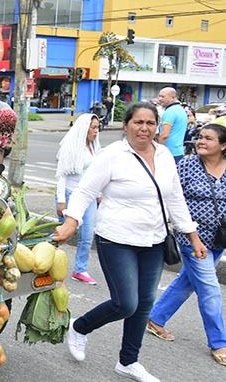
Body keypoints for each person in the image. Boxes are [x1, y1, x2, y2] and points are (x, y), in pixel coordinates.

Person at [53, 102, 206, 382]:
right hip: (117, 238)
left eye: (150, 123)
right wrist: (71, 221)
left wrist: (192, 235)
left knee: (145, 302)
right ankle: (80, 327)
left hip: (154, 240)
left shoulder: (164, 156)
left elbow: (174, 199)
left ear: (156, 127)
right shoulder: (113, 155)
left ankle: (128, 361)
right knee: (126, 303)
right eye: (138, 122)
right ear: (126, 126)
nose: (144, 128)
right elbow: (86, 191)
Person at [147, 123, 226, 366]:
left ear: (223, 146)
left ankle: (155, 319)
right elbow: (169, 195)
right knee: (210, 288)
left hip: (219, 237)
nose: (201, 141)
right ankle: (219, 342)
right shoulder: (188, 165)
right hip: (192, 237)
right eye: (200, 137)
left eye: (208, 139)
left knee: (188, 281)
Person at [55, 114, 102, 285]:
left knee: (88, 234)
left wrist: (98, 195)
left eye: (98, 127)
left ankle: (80, 269)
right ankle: (48, 260)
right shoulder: (71, 146)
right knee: (63, 234)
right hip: (70, 195)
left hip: (88, 196)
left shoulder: (95, 148)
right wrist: (61, 200)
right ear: (84, 128)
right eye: (93, 127)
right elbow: (62, 176)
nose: (96, 131)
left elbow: (96, 174)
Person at [157, 87, 188, 163]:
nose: (160, 99)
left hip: (169, 153)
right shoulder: (180, 109)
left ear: (172, 98)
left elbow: (164, 135)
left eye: (163, 96)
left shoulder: (170, 112)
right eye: (159, 96)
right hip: (178, 152)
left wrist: (157, 151)